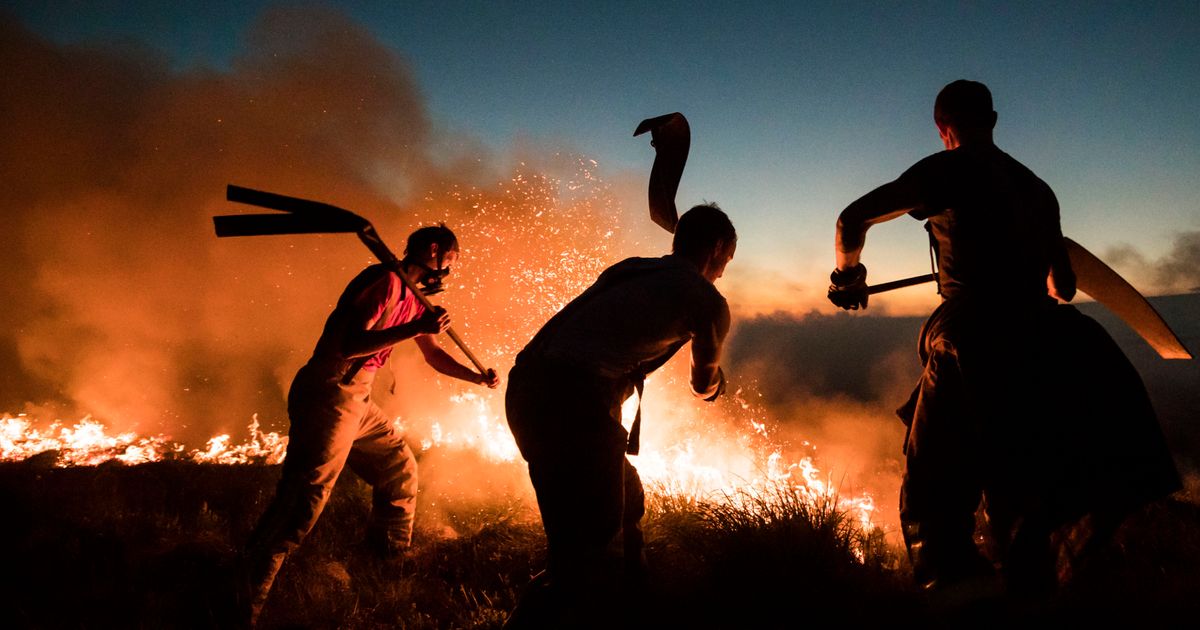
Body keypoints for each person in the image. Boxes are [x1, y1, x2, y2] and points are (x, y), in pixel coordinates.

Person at [828, 80, 1179, 595]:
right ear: (993, 121)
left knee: (934, 480)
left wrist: (848, 277)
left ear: (942, 128)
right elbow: (1063, 287)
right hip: (1055, 334)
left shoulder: (945, 168)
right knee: (1038, 468)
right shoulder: (1038, 189)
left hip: (974, 333)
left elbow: (851, 219)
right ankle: (1037, 582)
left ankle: (952, 593)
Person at [242, 224, 499, 625]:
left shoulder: (415, 301)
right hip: (331, 389)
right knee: (303, 501)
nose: (449, 271)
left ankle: (386, 562)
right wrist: (417, 327)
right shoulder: (383, 281)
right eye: (450, 261)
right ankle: (242, 600)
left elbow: (433, 356)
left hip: (359, 398)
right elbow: (347, 346)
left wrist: (476, 378)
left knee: (398, 468)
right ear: (433, 251)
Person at [505, 203, 735, 626]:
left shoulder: (632, 269)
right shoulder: (706, 301)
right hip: (571, 404)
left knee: (624, 504)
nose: (723, 272)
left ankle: (633, 598)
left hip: (526, 387)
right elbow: (702, 385)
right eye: (726, 261)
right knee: (589, 553)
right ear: (718, 247)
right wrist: (717, 381)